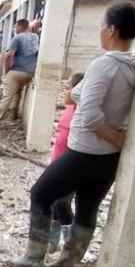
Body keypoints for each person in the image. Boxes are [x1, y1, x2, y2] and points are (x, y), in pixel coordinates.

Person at [8, 2, 135, 267]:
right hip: (108, 157)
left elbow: (90, 115)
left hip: (87, 151)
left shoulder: (104, 65)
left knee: (40, 194)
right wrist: (118, 142)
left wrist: (115, 139)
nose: (99, 31)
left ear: (111, 30)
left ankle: (34, 257)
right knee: (87, 207)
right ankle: (67, 264)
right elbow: (75, 96)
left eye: (101, 26)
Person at [47, 72, 86, 252]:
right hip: (56, 161)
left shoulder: (82, 112)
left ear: (78, 90)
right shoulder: (69, 107)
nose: (65, 90)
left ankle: (70, 244)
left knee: (61, 203)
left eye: (68, 87)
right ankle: (53, 242)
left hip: (70, 165)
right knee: (54, 201)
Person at [0, 19, 39, 129]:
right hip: (30, 73)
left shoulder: (16, 38)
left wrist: (6, 70)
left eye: (15, 27)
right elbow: (35, 24)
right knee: (18, 92)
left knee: (7, 96)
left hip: (17, 71)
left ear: (19, 27)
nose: (14, 29)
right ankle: (14, 114)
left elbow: (9, 55)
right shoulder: (35, 37)